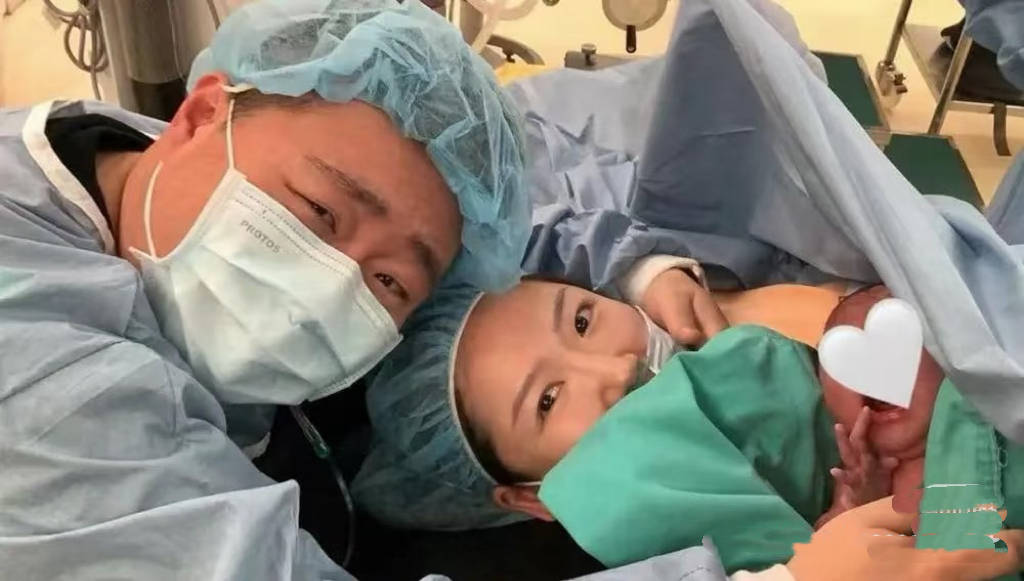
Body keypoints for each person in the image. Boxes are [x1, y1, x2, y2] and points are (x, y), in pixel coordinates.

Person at [0, 1, 531, 579]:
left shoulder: (151, 158)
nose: (325, 294)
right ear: (199, 115)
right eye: (320, 211)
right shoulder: (39, 380)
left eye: (388, 280)